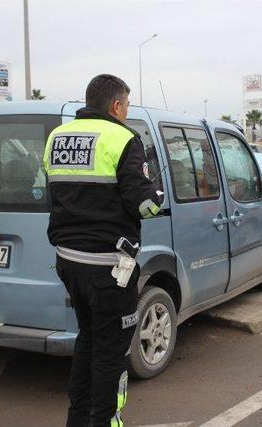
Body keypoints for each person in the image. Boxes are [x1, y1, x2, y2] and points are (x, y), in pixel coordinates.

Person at [44, 74, 163, 426]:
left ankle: (77, 420)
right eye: (126, 105)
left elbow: (57, 190)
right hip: (109, 268)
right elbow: (143, 206)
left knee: (89, 339)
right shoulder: (123, 138)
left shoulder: (56, 136)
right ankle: (104, 421)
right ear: (115, 106)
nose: (127, 112)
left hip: (68, 261)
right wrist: (155, 193)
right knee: (111, 352)